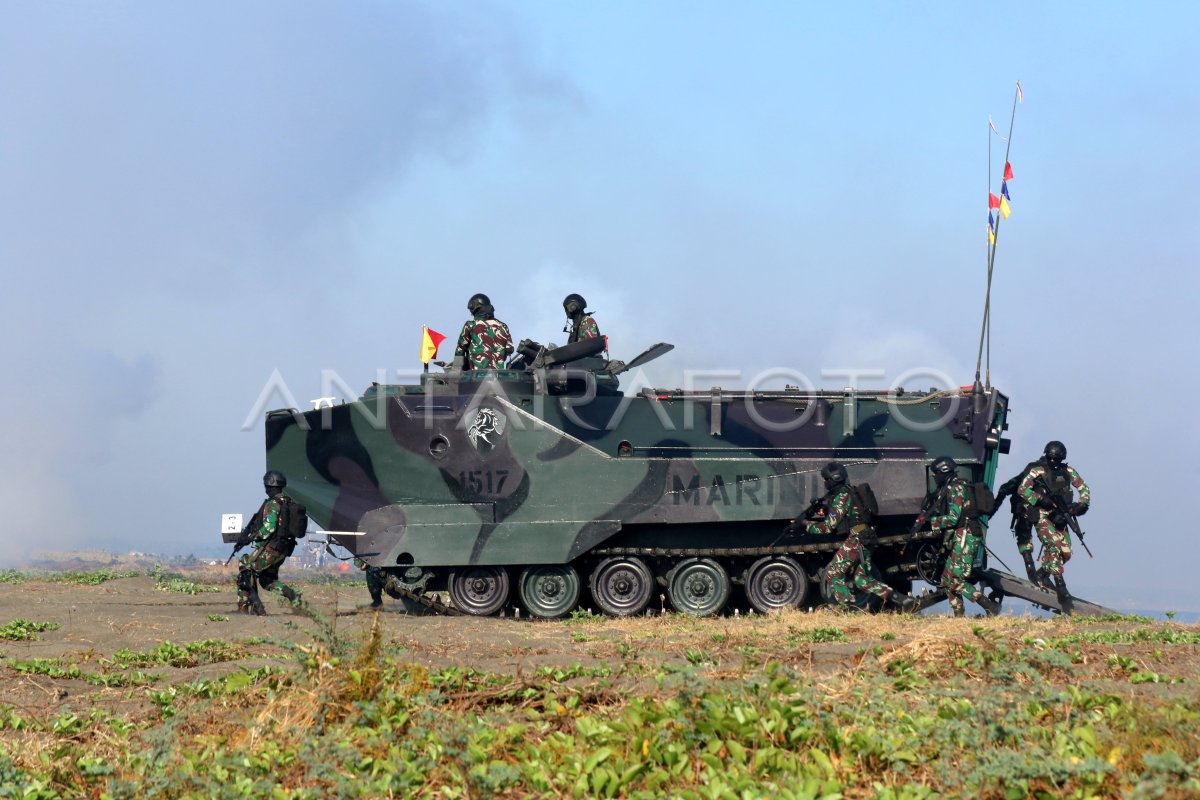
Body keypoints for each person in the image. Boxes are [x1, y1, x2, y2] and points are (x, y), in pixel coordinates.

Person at [803, 462, 917, 612]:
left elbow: (828, 527)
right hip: (867, 536)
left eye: (825, 479)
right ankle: (902, 600)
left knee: (833, 573)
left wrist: (806, 524)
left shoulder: (842, 496)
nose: (824, 482)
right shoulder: (849, 491)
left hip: (857, 539)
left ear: (832, 479)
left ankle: (847, 608)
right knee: (862, 580)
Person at [1018, 440, 1091, 614]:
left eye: (1056, 459)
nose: (1053, 462)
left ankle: (1042, 574)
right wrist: (1039, 498)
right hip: (1043, 514)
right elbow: (1022, 489)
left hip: (1060, 515)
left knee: (1065, 552)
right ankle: (1061, 586)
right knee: (1053, 545)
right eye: (1050, 458)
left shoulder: (1069, 472)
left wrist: (1080, 506)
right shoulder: (1038, 471)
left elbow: (1084, 489)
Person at [924, 456, 1001, 617]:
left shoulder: (955, 488)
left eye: (935, 473)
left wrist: (933, 522)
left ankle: (990, 606)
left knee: (957, 580)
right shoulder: (955, 486)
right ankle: (959, 615)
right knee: (946, 581)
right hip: (962, 535)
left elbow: (954, 518)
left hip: (966, 536)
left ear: (944, 471)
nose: (934, 476)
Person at [235, 470, 303, 615]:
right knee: (267, 580)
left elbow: (269, 528)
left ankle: (248, 605)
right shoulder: (288, 502)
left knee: (245, 567)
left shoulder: (273, 504)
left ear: (269, 486)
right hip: (283, 549)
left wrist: (250, 537)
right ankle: (291, 595)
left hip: (271, 548)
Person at [995, 455, 1046, 582]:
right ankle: (1040, 574)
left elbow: (1006, 487)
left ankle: (1030, 565)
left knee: (1024, 537)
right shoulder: (1046, 472)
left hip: (1024, 510)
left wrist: (990, 512)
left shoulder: (1031, 469)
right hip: (1035, 511)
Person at [455, 293, 514, 370]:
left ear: (475, 309)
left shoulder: (470, 325)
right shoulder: (503, 326)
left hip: (476, 377)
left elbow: (460, 351)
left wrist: (456, 369)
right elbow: (510, 349)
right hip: (498, 375)